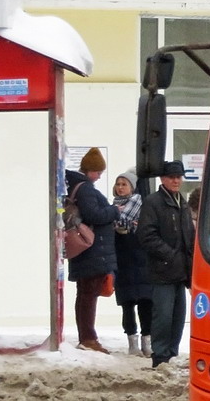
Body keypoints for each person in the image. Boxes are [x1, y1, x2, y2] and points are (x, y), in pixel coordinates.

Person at [138, 160, 196, 367]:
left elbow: (188, 236)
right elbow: (146, 235)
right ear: (163, 179)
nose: (176, 181)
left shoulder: (182, 202)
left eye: (179, 177)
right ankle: (161, 356)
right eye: (172, 177)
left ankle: (171, 353)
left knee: (178, 317)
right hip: (162, 270)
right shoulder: (154, 202)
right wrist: (170, 255)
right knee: (162, 316)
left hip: (180, 271)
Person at [65, 148, 118, 353]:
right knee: (89, 295)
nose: (99, 176)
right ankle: (88, 338)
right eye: (98, 172)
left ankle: (87, 336)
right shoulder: (86, 188)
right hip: (92, 251)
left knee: (85, 294)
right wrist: (114, 210)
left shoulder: (75, 185)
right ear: (90, 170)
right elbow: (93, 215)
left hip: (87, 252)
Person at [111, 170, 153, 357]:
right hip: (123, 262)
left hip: (142, 261)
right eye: (118, 184)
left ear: (133, 187)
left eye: (124, 184)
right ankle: (132, 343)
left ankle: (147, 341)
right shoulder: (112, 208)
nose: (120, 188)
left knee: (146, 303)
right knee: (127, 304)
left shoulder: (141, 205)